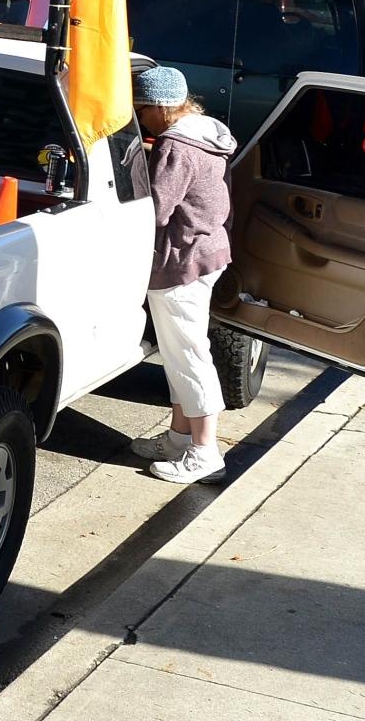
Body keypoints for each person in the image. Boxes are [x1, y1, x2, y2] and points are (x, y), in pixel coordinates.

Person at [128, 65, 237, 485]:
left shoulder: (175, 145)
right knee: (178, 354)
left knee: (190, 354)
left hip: (182, 261)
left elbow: (156, 209)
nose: (140, 119)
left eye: (142, 109)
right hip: (208, 252)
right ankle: (178, 438)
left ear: (159, 107)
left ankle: (205, 451)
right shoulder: (208, 133)